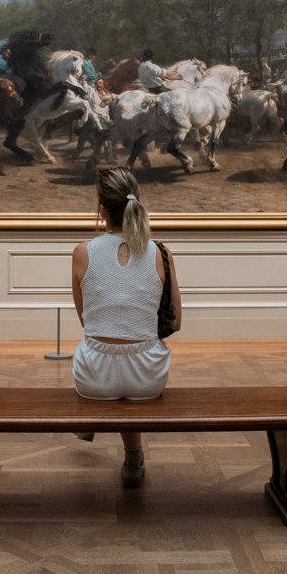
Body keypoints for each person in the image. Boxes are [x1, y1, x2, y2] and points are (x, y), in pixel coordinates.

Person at [70, 166, 181, 488]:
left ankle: (92, 417)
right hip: (149, 376)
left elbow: (87, 320)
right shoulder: (160, 251)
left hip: (93, 377)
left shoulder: (82, 252)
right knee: (128, 363)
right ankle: (134, 455)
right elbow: (175, 321)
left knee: (99, 351)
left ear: (101, 209)